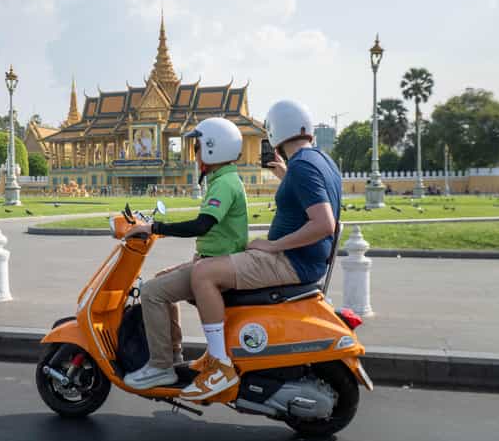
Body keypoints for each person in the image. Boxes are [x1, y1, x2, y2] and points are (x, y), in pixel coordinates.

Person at [180, 100, 342, 401]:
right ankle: (222, 351)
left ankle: (220, 366)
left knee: (203, 273)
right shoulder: (317, 160)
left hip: (290, 261)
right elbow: (309, 193)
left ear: (274, 133)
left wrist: (273, 246)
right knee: (210, 270)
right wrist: (285, 175)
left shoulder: (303, 167)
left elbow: (324, 224)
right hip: (304, 260)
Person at [122, 117, 249, 390]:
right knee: (160, 279)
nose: (195, 153)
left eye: (199, 147)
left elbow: (203, 224)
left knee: (151, 292)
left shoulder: (224, 183)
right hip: (211, 261)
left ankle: (159, 366)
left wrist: (155, 227)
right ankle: (173, 354)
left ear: (213, 148)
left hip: (216, 266)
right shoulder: (222, 179)